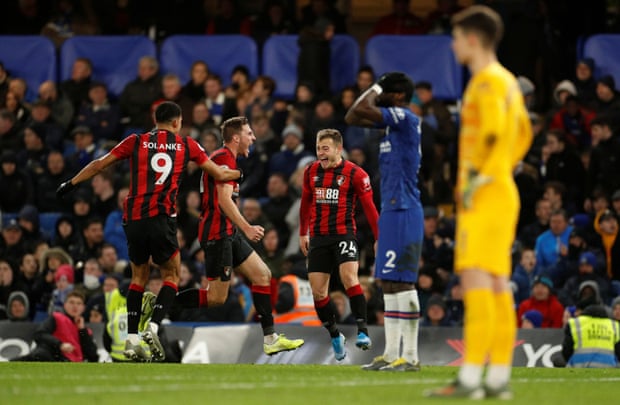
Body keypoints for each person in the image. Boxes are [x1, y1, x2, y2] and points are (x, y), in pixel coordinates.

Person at [55, 101, 242, 362]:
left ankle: (131, 338)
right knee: (172, 274)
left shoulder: (136, 141)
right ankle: (152, 327)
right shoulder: (187, 145)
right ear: (177, 122)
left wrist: (70, 183)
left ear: (156, 121)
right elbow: (218, 173)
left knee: (138, 276)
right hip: (162, 218)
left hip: (133, 219)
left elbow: (99, 164)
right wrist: (238, 172)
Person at [425, 6, 533, 399]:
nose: (452, 45)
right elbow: (522, 133)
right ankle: (498, 378)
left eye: (455, 38)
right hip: (502, 189)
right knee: (498, 284)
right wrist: (502, 169)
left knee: (475, 281)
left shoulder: (485, 83)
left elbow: (491, 134)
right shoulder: (507, 81)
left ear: (472, 39)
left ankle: (471, 378)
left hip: (485, 195)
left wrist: (476, 179)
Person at [174, 116, 304, 355]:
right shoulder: (224, 158)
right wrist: (248, 227)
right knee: (216, 298)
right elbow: (223, 201)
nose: (253, 137)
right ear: (236, 137)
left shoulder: (227, 158)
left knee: (262, 275)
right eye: (249, 133)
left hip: (227, 232)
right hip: (217, 233)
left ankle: (271, 337)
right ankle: (161, 305)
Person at [345, 71, 423, 372]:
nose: (379, 97)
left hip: (405, 208)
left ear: (398, 97)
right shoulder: (393, 127)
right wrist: (379, 86)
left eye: (385, 93)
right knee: (388, 282)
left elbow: (362, 106)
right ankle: (391, 354)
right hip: (390, 209)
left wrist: (377, 85)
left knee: (403, 281)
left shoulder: (405, 117)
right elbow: (352, 116)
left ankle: (412, 357)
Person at [298, 128, 379, 360]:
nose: (320, 154)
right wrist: (303, 233)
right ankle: (335, 335)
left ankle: (363, 331)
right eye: (317, 149)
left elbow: (371, 210)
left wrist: (379, 238)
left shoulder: (356, 174)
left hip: (344, 234)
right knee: (318, 292)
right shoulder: (310, 171)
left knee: (349, 278)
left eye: (325, 148)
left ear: (338, 149)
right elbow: (305, 204)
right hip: (319, 237)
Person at [12, 291, 99, 362]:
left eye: (79, 303)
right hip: (53, 354)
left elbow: (93, 355)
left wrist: (82, 330)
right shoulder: (57, 318)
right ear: (65, 305)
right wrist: (60, 345)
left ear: (83, 308)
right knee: (41, 353)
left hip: (68, 361)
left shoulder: (85, 330)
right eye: (71, 302)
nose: (75, 306)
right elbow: (40, 334)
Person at [562, 303, 620, 368]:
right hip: (608, 367)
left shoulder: (575, 323)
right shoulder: (614, 325)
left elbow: (566, 351)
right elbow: (618, 352)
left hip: (579, 366)